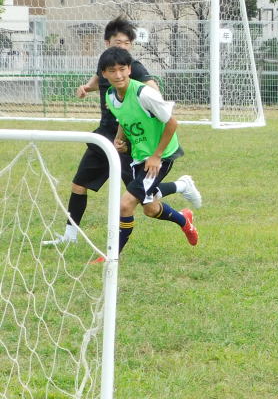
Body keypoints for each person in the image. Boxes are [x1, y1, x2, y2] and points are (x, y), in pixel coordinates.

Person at [43, 16, 200, 247]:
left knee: (143, 203)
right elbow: (98, 81)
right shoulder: (107, 66)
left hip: (132, 144)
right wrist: (86, 87)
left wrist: (150, 102)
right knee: (79, 184)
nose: (123, 48)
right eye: (119, 42)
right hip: (107, 136)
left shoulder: (132, 68)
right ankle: (70, 236)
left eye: (127, 43)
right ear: (107, 43)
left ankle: (181, 188)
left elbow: (152, 89)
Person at [98, 46, 199, 254]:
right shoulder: (110, 96)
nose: (118, 75)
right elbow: (124, 119)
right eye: (112, 71)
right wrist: (119, 139)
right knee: (151, 209)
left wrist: (156, 156)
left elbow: (172, 123)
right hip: (139, 156)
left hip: (161, 156)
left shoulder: (144, 94)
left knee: (126, 204)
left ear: (129, 69)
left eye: (122, 69)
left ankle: (111, 257)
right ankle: (184, 217)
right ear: (104, 73)